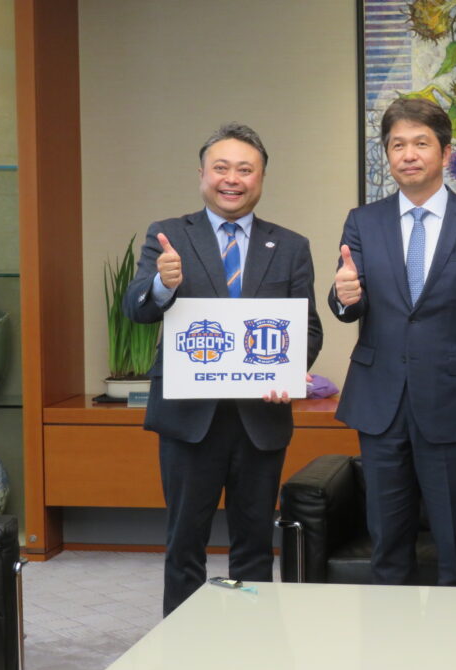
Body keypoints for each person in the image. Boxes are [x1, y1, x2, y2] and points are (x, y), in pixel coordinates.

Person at [124, 122, 323, 615]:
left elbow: (307, 328)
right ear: (202, 174)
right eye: (221, 168)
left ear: (261, 178)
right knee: (184, 544)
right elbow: (136, 308)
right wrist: (164, 284)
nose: (232, 179)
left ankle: (250, 643)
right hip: (189, 418)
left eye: (245, 169)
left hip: (260, 419)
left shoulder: (290, 245)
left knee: (254, 547)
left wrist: (287, 372)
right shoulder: (169, 236)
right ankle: (183, 647)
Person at [330, 98, 456, 586]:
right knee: (386, 542)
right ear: (387, 154)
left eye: (420, 143)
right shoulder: (363, 221)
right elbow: (348, 302)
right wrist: (342, 296)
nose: (408, 154)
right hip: (379, 398)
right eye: (397, 145)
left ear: (445, 151)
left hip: (454, 398)